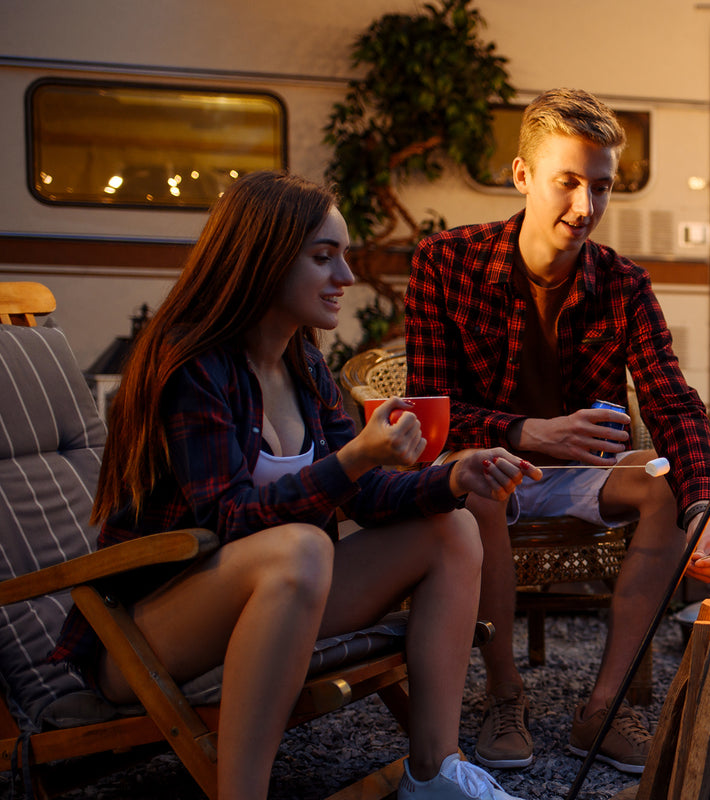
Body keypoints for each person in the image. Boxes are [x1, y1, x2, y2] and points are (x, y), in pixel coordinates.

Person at [51, 171, 540, 800]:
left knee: (453, 525)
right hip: (144, 635)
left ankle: (434, 772)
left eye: (343, 256)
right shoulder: (191, 366)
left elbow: (360, 497)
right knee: (302, 546)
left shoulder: (304, 363)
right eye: (323, 257)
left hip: (278, 599)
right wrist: (353, 461)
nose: (347, 277)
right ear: (262, 259)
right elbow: (228, 519)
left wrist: (452, 477)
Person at [405, 88, 710, 774]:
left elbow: (673, 405)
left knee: (667, 482)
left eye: (602, 187)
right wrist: (531, 432)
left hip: (578, 472)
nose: (585, 207)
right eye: (568, 183)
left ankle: (603, 708)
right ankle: (505, 697)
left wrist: (706, 506)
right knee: (483, 482)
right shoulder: (445, 262)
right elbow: (429, 414)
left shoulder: (624, 285)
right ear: (523, 176)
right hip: (487, 466)